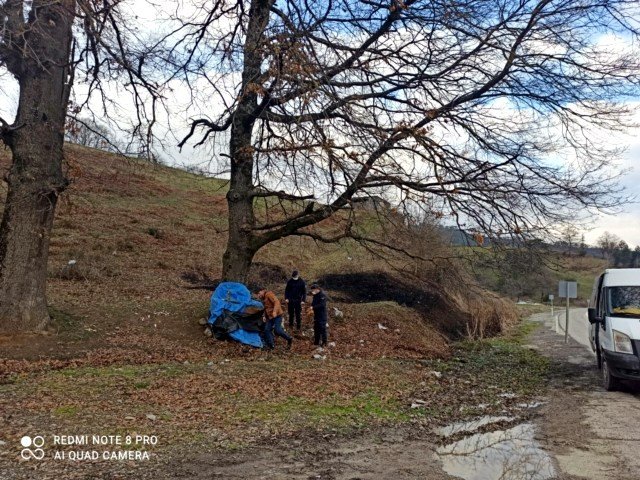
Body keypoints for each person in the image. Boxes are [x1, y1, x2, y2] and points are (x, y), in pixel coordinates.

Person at [255, 286, 293, 350]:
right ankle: (271, 345)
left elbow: (277, 302)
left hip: (277, 316)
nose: (258, 296)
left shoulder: (269, 294)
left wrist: (275, 311)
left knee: (277, 330)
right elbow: (265, 308)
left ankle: (289, 338)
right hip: (269, 318)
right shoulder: (263, 298)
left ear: (262, 291)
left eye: (259, 293)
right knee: (267, 330)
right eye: (257, 295)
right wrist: (264, 316)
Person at [309, 283, 328, 347]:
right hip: (316, 315)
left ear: (317, 289)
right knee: (316, 328)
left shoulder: (322, 295)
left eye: (313, 290)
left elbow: (322, 305)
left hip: (322, 315)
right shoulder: (315, 295)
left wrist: (313, 307)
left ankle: (324, 342)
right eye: (311, 290)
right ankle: (316, 341)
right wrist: (311, 307)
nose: (312, 292)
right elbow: (313, 303)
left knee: (322, 328)